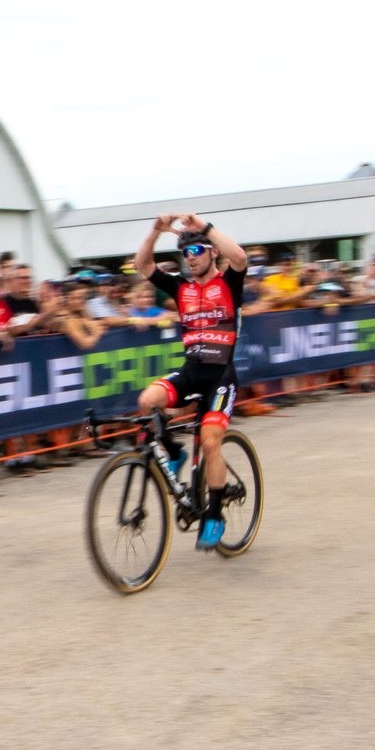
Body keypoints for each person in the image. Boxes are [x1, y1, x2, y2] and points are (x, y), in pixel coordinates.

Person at [133, 213, 248, 551]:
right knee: (146, 402)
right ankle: (174, 451)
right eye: (186, 252)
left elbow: (240, 257)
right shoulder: (180, 287)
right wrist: (155, 231)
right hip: (191, 370)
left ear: (212, 252)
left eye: (198, 249)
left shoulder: (228, 282)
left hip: (221, 375)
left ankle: (214, 514)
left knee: (211, 442)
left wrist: (205, 229)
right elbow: (142, 266)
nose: (192, 256)